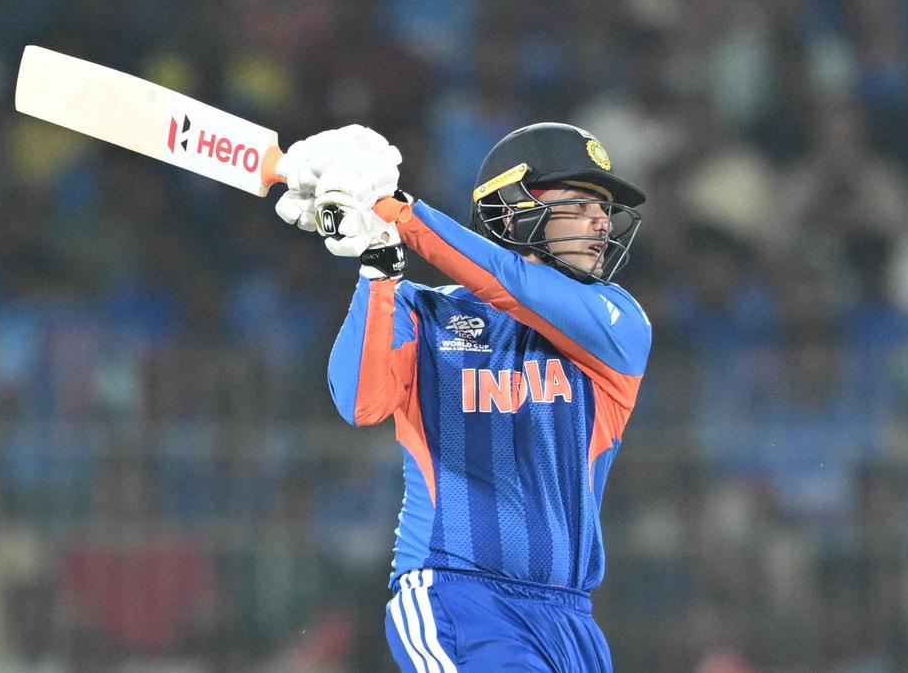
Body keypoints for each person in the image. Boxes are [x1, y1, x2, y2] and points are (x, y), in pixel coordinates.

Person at [274, 122, 651, 671]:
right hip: (458, 599)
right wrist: (378, 267)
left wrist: (395, 210)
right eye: (580, 204)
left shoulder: (618, 321)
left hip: (571, 621)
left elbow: (508, 282)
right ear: (512, 211)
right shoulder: (425, 312)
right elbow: (359, 402)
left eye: (606, 209)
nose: (602, 221)